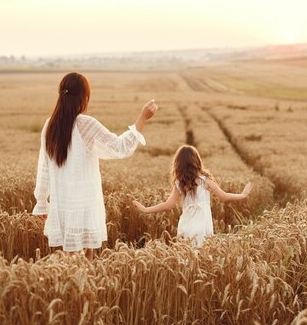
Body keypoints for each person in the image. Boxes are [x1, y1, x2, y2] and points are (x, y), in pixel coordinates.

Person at [32, 72, 158, 260]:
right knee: (86, 257)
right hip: (86, 202)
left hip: (63, 203)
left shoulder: (50, 125)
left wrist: (41, 202)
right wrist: (142, 118)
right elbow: (119, 147)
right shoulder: (86, 124)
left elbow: (44, 168)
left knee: (70, 257)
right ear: (83, 97)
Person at [132, 145, 253, 247]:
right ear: (197, 161)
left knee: (187, 260)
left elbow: (167, 205)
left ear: (178, 164)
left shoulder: (179, 183)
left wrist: (146, 209)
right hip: (203, 227)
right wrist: (242, 195)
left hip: (186, 227)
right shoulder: (205, 180)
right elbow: (224, 197)